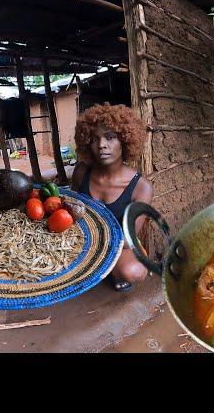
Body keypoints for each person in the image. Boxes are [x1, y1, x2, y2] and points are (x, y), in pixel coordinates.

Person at [71, 102, 153, 292]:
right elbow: (72, 210)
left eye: (110, 138)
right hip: (81, 238)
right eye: (94, 139)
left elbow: (127, 238)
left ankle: (101, 269)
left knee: (134, 271)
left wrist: (93, 250)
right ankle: (96, 269)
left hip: (118, 244)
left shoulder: (141, 188)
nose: (101, 145)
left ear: (125, 141)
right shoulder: (82, 173)